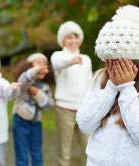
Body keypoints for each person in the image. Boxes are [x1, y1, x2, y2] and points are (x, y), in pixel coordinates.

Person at [76, 5, 139, 166]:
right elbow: (84, 124)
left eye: (119, 60)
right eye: (109, 60)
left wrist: (126, 87)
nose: (113, 67)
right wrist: (111, 87)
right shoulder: (100, 77)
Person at [50, 21, 93, 166]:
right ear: (63, 40)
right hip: (64, 110)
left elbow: (91, 84)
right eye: (69, 37)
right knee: (64, 151)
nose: (73, 40)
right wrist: (71, 61)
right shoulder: (58, 56)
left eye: (76, 37)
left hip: (84, 111)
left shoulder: (86, 59)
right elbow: (58, 64)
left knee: (88, 149)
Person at [12, 53, 54, 166]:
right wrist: (36, 71)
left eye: (44, 64)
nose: (42, 66)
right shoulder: (24, 81)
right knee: (22, 156)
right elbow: (24, 78)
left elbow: (50, 105)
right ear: (29, 66)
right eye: (38, 63)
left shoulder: (45, 87)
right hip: (20, 121)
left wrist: (38, 93)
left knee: (37, 155)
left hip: (36, 123)